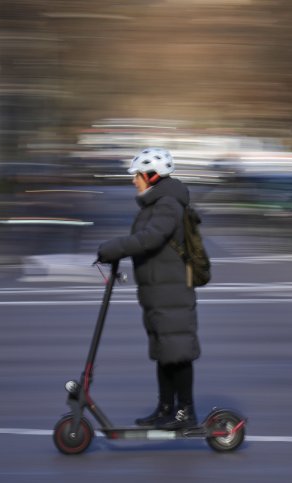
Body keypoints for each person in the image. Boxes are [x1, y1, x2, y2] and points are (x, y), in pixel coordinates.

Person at [96, 147, 200, 429]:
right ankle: (166, 408)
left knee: (177, 353)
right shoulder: (157, 203)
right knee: (164, 351)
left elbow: (150, 239)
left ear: (152, 176)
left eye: (137, 175)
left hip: (172, 291)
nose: (134, 180)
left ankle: (185, 412)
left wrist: (112, 249)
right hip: (158, 291)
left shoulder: (167, 204)